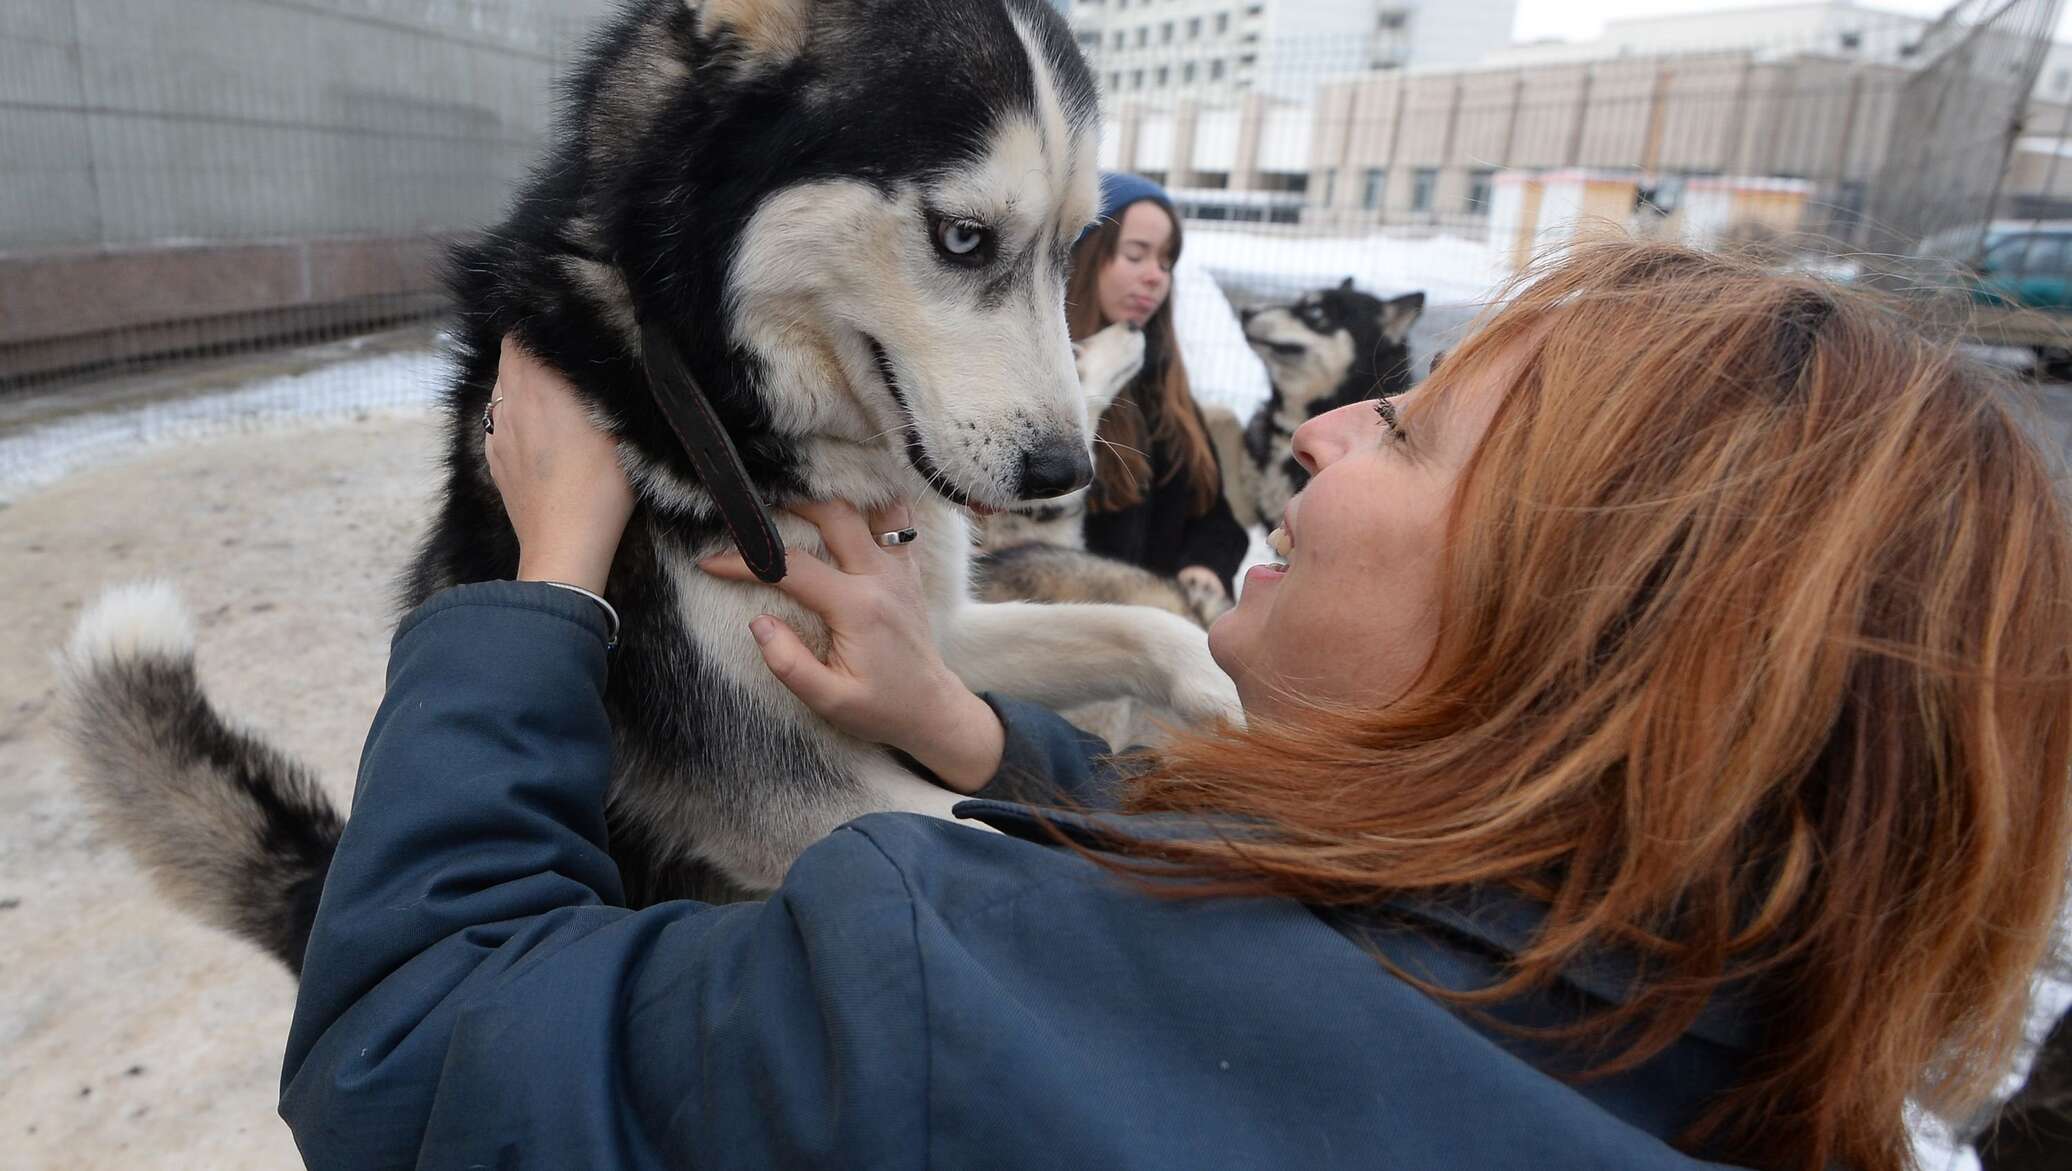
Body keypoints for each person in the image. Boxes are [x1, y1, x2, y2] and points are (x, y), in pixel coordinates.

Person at [281, 241, 2072, 1171]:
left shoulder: (957, 993)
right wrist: (971, 730)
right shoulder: (1732, 1062)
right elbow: (1354, 932)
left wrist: (540, 578)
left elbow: (413, 1054)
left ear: (1573, 647)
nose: (1326, 424)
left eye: (1417, 430)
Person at [1070, 172, 1250, 603]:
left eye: (1166, 262)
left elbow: (1214, 519)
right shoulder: (1038, 390)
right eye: (1136, 255)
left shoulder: (1164, 388)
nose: (1155, 276)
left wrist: (1204, 566)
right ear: (1080, 255)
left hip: (1156, 633)